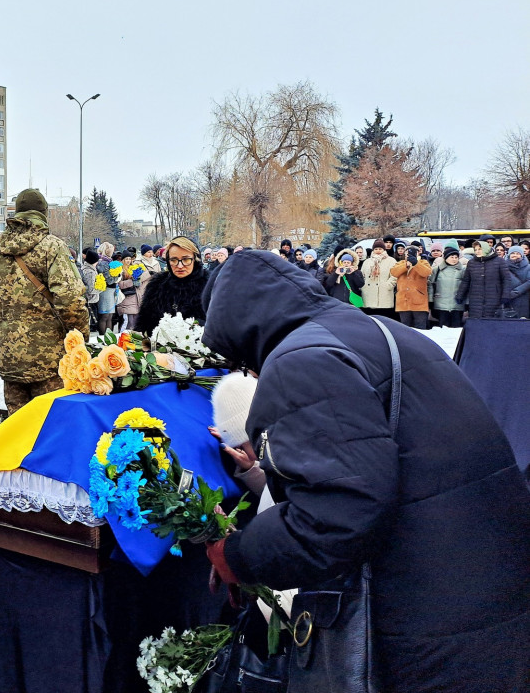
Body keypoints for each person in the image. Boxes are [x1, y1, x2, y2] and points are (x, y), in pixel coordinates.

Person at [200, 250, 530, 693]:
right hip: (478, 583)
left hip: (423, 613)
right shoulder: (380, 330)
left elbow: (334, 516)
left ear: (240, 333)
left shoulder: (304, 359)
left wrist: (237, 555)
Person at [0, 189, 88, 414]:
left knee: (18, 427)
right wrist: (81, 338)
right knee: (50, 424)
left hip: (9, 358)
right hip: (50, 360)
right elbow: (71, 301)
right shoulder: (52, 247)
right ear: (43, 213)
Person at [135, 236, 208, 337]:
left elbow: (219, 326)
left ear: (196, 259)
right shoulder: (157, 286)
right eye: (173, 260)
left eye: (186, 259)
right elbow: (143, 325)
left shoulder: (210, 286)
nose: (180, 265)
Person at [456, 239, 513, 319]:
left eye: (480, 249)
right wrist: (460, 295)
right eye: (475, 250)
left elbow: (506, 279)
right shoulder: (472, 263)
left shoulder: (499, 261)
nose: (477, 251)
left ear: (486, 249)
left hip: (494, 297)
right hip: (475, 298)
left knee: (492, 321)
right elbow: (466, 280)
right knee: (476, 321)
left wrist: (505, 295)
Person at [390, 245, 432, 329]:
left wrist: (416, 263)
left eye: (412, 253)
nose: (408, 255)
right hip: (403, 302)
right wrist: (406, 265)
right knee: (405, 328)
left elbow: (426, 272)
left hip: (419, 302)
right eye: (407, 253)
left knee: (420, 327)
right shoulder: (401, 263)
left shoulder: (423, 262)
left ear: (418, 253)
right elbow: (394, 272)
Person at [358, 239, 397, 319]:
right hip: (368, 294)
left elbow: (395, 275)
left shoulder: (391, 261)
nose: (378, 251)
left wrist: (388, 285)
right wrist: (363, 286)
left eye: (380, 249)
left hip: (384, 294)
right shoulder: (367, 261)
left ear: (384, 249)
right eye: (376, 249)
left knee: (384, 319)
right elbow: (362, 275)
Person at [428, 247, 466, 327]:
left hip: (457, 305)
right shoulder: (437, 270)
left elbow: (466, 287)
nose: (454, 259)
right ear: (445, 258)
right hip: (441, 305)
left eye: (456, 257)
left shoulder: (463, 270)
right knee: (443, 329)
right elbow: (430, 285)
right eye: (452, 257)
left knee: (456, 329)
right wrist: (430, 300)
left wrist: (466, 302)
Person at [95, 242, 117, 335]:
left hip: (109, 291)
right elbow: (109, 280)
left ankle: (108, 336)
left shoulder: (106, 261)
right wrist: (117, 276)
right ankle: (104, 336)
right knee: (105, 315)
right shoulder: (104, 263)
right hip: (106, 291)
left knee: (109, 316)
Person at [80, 248, 100, 336]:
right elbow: (90, 289)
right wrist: (101, 289)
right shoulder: (89, 272)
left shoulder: (90, 269)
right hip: (90, 299)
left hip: (91, 299)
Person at [507, 243, 530, 319]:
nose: (515, 255)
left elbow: (529, 282)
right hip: (508, 298)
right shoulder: (503, 267)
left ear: (522, 255)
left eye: (518, 253)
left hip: (523, 298)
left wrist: (516, 292)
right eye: (513, 253)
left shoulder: (528, 267)